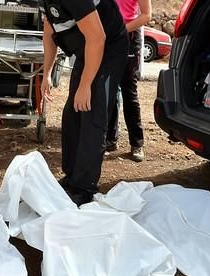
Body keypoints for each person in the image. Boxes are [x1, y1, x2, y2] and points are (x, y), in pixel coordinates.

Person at [40, 0, 129, 206]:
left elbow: (98, 37)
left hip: (109, 47)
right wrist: (46, 74)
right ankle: (72, 177)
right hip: (87, 48)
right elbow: (49, 31)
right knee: (73, 113)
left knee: (92, 112)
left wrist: (86, 84)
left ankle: (84, 187)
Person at [105, 0, 152, 162]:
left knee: (129, 93)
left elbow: (146, 15)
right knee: (109, 91)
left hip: (129, 37)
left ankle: (136, 143)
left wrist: (120, 31)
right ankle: (110, 140)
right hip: (109, 37)